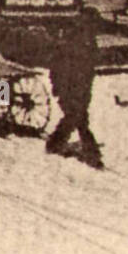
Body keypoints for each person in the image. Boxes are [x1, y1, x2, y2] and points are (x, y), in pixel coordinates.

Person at [45, 31, 103, 169]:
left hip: (79, 91)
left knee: (77, 118)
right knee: (78, 119)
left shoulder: (83, 54)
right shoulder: (68, 52)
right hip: (70, 92)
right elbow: (57, 73)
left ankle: (55, 143)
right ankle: (91, 153)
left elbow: (88, 75)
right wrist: (59, 89)